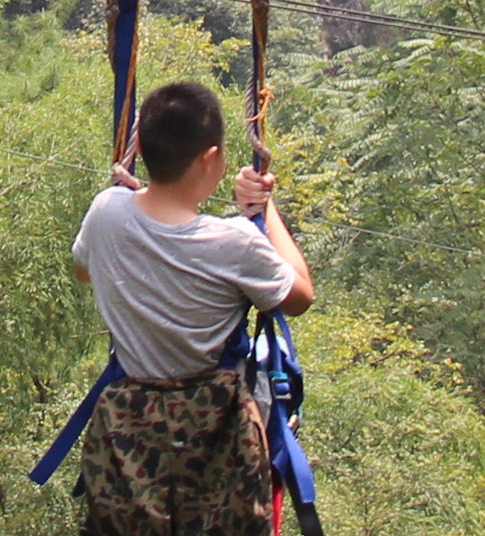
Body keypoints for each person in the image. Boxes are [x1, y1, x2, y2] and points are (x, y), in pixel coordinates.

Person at [72, 77, 314, 376]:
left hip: (130, 415)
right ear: (209, 158)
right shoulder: (236, 242)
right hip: (215, 418)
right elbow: (301, 297)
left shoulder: (105, 212)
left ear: (142, 150)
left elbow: (84, 271)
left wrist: (126, 204)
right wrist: (265, 206)